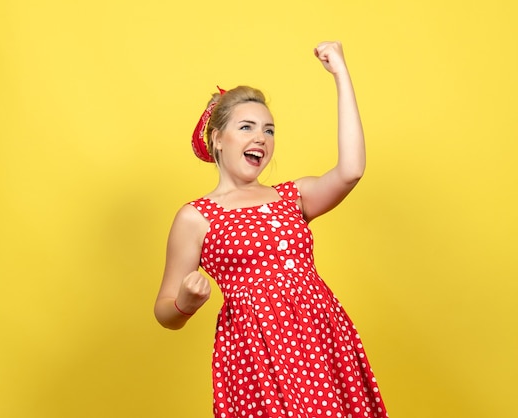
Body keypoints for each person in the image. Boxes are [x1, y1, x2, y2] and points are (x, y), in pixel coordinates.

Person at [154, 41, 388, 418]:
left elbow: (351, 170)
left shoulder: (292, 197)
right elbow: (164, 310)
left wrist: (341, 74)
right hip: (255, 356)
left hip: (320, 338)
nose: (261, 138)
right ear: (217, 138)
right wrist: (185, 302)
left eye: (269, 130)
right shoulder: (196, 217)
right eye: (246, 127)